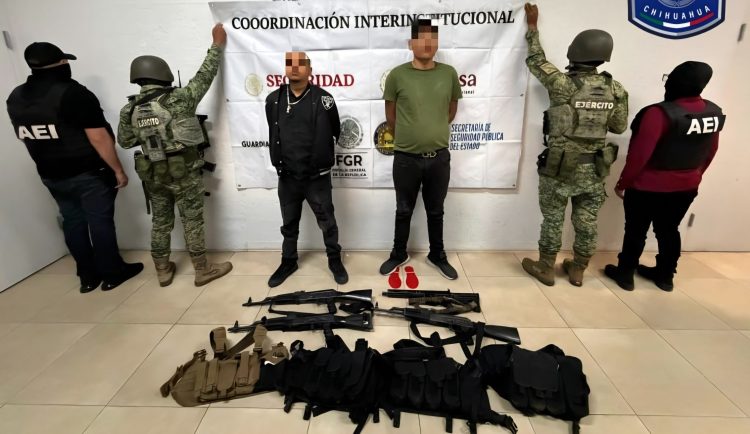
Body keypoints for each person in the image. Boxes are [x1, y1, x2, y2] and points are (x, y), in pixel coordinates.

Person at [7, 42, 143, 293]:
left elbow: (26, 136)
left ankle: (88, 276)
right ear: (59, 64)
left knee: (72, 222)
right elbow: (99, 138)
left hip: (51, 174)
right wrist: (118, 170)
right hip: (87, 173)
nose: (67, 65)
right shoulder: (73, 93)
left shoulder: (16, 97)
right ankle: (113, 273)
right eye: (65, 61)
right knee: (99, 222)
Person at [521, 3, 629, 287]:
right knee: (587, 220)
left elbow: (536, 60)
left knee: (553, 218)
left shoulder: (562, 84)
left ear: (575, 51)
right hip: (595, 169)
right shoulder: (615, 89)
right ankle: (578, 269)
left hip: (560, 168)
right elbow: (619, 126)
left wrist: (532, 27)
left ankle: (546, 267)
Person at [117, 24, 232, 287]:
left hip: (154, 175)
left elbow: (125, 141)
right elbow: (206, 74)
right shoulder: (180, 98)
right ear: (164, 75)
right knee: (192, 221)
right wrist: (217, 44)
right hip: (185, 174)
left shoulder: (129, 109)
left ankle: (162, 270)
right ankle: (202, 270)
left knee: (160, 222)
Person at [604, 61, 723, 292]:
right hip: (686, 187)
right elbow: (711, 150)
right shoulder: (713, 112)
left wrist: (623, 183)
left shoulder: (658, 114)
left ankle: (625, 274)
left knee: (636, 230)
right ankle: (665, 276)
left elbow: (639, 155)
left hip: (647, 187)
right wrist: (695, 176)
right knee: (669, 230)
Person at [379, 19, 462, 280]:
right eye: (421, 38)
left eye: (432, 38)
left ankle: (437, 254)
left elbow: (451, 110)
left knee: (436, 211)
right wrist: (410, 136)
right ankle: (398, 253)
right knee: (403, 209)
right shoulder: (397, 75)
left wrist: (431, 130)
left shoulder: (448, 74)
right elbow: (390, 115)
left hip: (439, 157)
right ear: (410, 43)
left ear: (437, 43)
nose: (427, 43)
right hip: (406, 158)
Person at [264, 51, 348, 287]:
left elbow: (335, 130)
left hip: (316, 178)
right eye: (290, 63)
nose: (294, 67)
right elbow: (273, 129)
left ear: (309, 70)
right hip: (287, 177)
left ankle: (334, 260)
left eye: (300, 64)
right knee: (289, 224)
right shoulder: (273, 100)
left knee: (327, 222)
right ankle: (288, 261)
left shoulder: (324, 99)